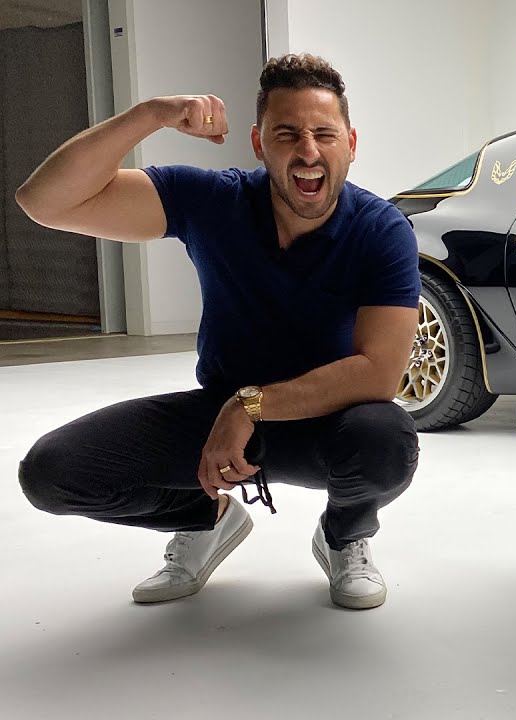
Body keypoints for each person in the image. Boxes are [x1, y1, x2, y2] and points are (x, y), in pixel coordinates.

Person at [14, 54, 421, 611]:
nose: (308, 151)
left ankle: (344, 535)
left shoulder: (381, 230)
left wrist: (249, 405)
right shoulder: (212, 201)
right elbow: (44, 201)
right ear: (258, 143)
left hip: (328, 422)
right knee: (53, 473)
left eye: (325, 134)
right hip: (218, 420)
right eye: (287, 134)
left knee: (385, 442)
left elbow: (379, 373)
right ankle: (208, 518)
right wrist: (151, 114)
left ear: (350, 143)